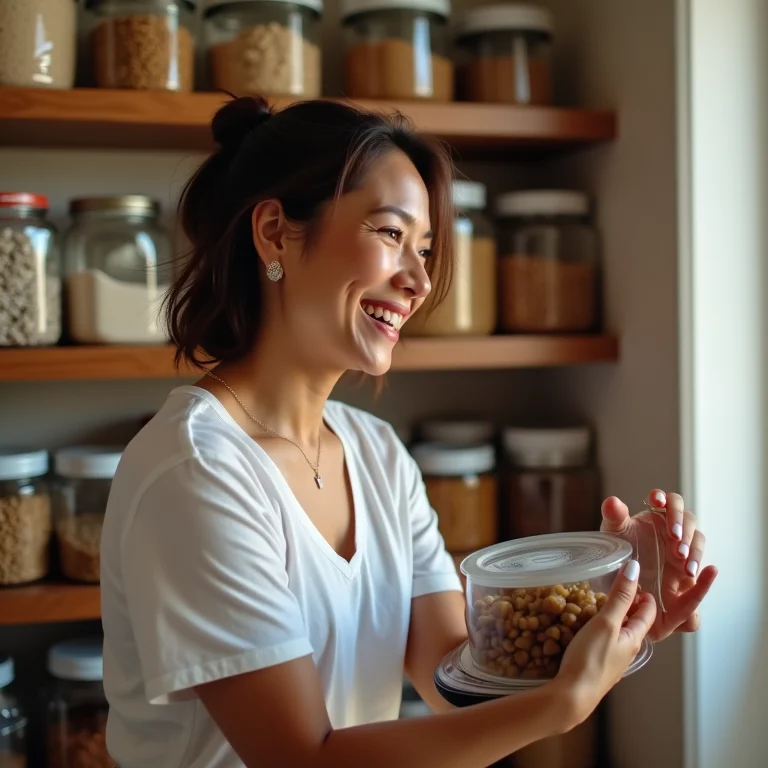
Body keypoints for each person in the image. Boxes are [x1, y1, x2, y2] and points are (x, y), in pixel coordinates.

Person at [100, 96, 717, 768]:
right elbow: (303, 758)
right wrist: (559, 705)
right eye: (392, 235)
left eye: (424, 249)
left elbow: (459, 677)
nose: (420, 281)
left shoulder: (375, 453)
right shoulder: (196, 471)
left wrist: (609, 591)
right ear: (275, 231)